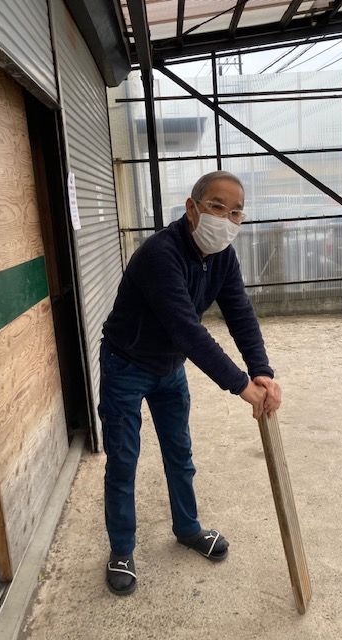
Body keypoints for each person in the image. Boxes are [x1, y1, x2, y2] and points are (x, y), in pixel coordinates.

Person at [99, 170, 281, 596]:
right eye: (217, 207)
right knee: (123, 460)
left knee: (180, 453)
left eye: (236, 213)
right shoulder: (159, 254)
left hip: (170, 368)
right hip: (126, 365)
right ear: (192, 208)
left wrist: (262, 370)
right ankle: (121, 550)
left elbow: (239, 312)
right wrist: (241, 385)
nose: (226, 219)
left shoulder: (222, 257)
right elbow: (188, 330)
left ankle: (187, 529)